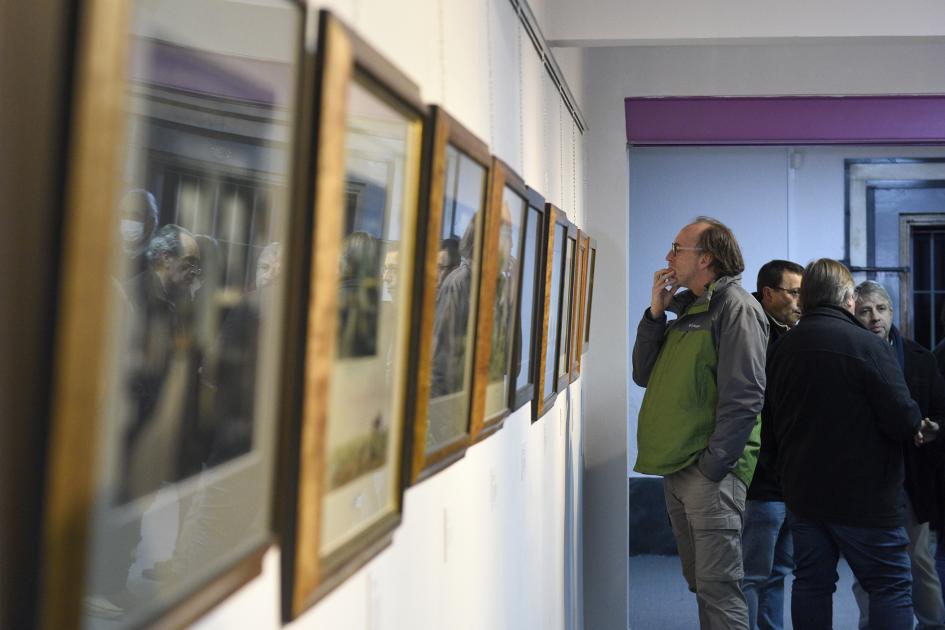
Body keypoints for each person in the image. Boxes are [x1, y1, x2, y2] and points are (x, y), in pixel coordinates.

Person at [764, 259, 929, 629]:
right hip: (866, 499)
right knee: (889, 586)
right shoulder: (868, 346)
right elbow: (904, 419)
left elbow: (770, 422)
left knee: (811, 584)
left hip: (804, 494)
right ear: (848, 299)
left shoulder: (781, 349)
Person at [632, 216, 768, 630]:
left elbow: (745, 395)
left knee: (721, 589)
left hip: (708, 471)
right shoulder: (689, 307)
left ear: (706, 258)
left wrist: (714, 466)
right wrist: (655, 313)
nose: (668, 256)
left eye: (677, 248)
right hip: (678, 465)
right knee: (701, 584)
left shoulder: (736, 307)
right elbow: (643, 373)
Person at [852, 280, 945, 630]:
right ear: (852, 314)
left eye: (880, 309)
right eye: (864, 311)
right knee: (866, 562)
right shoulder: (848, 358)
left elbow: (941, 411)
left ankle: (933, 623)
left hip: (912, 474)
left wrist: (935, 428)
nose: (874, 317)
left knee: (919, 559)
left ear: (892, 312)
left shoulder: (920, 359)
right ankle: (872, 624)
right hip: (864, 477)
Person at [742, 259, 803, 630]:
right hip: (760, 482)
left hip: (789, 485)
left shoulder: (790, 335)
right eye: (793, 292)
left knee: (778, 573)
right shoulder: (750, 334)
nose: (800, 301)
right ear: (768, 294)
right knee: (752, 576)